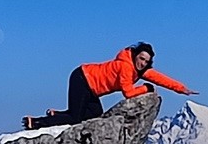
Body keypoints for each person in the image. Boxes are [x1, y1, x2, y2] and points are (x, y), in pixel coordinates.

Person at [23, 42, 197, 129]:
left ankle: (59, 114)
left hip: (91, 88)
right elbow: (128, 93)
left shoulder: (139, 70)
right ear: (135, 55)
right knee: (76, 118)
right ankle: (37, 122)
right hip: (82, 78)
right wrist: (146, 89)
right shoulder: (126, 67)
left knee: (96, 114)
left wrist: (181, 89)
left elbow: (160, 78)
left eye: (146, 61)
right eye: (141, 58)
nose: (143, 63)